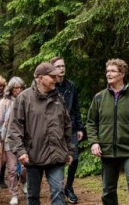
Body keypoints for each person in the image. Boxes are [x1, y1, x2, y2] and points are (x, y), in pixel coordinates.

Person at [87, 59, 129, 205]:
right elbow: (91, 122)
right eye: (107, 71)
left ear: (122, 74)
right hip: (107, 151)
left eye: (112, 71)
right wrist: (94, 142)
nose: (108, 74)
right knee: (108, 190)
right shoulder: (99, 97)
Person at [9, 62, 74, 205]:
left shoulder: (59, 99)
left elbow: (67, 126)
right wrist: (20, 151)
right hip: (33, 156)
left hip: (57, 155)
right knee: (33, 196)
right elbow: (15, 127)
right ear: (40, 78)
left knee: (58, 191)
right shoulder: (24, 98)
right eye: (52, 77)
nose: (56, 80)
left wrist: (69, 150)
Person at [50, 56, 85, 204]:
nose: (62, 68)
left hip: (70, 128)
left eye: (63, 66)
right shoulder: (50, 86)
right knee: (57, 160)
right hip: (54, 129)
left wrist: (79, 127)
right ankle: (57, 190)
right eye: (58, 66)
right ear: (52, 69)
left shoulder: (71, 85)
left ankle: (69, 187)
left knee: (74, 158)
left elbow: (76, 107)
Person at [0, 77, 27, 205]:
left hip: (24, 139)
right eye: (16, 88)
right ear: (11, 89)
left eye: (20, 88)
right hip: (8, 140)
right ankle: (14, 194)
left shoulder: (27, 100)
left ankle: (24, 182)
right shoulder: (4, 102)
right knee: (12, 169)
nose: (18, 90)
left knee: (26, 167)